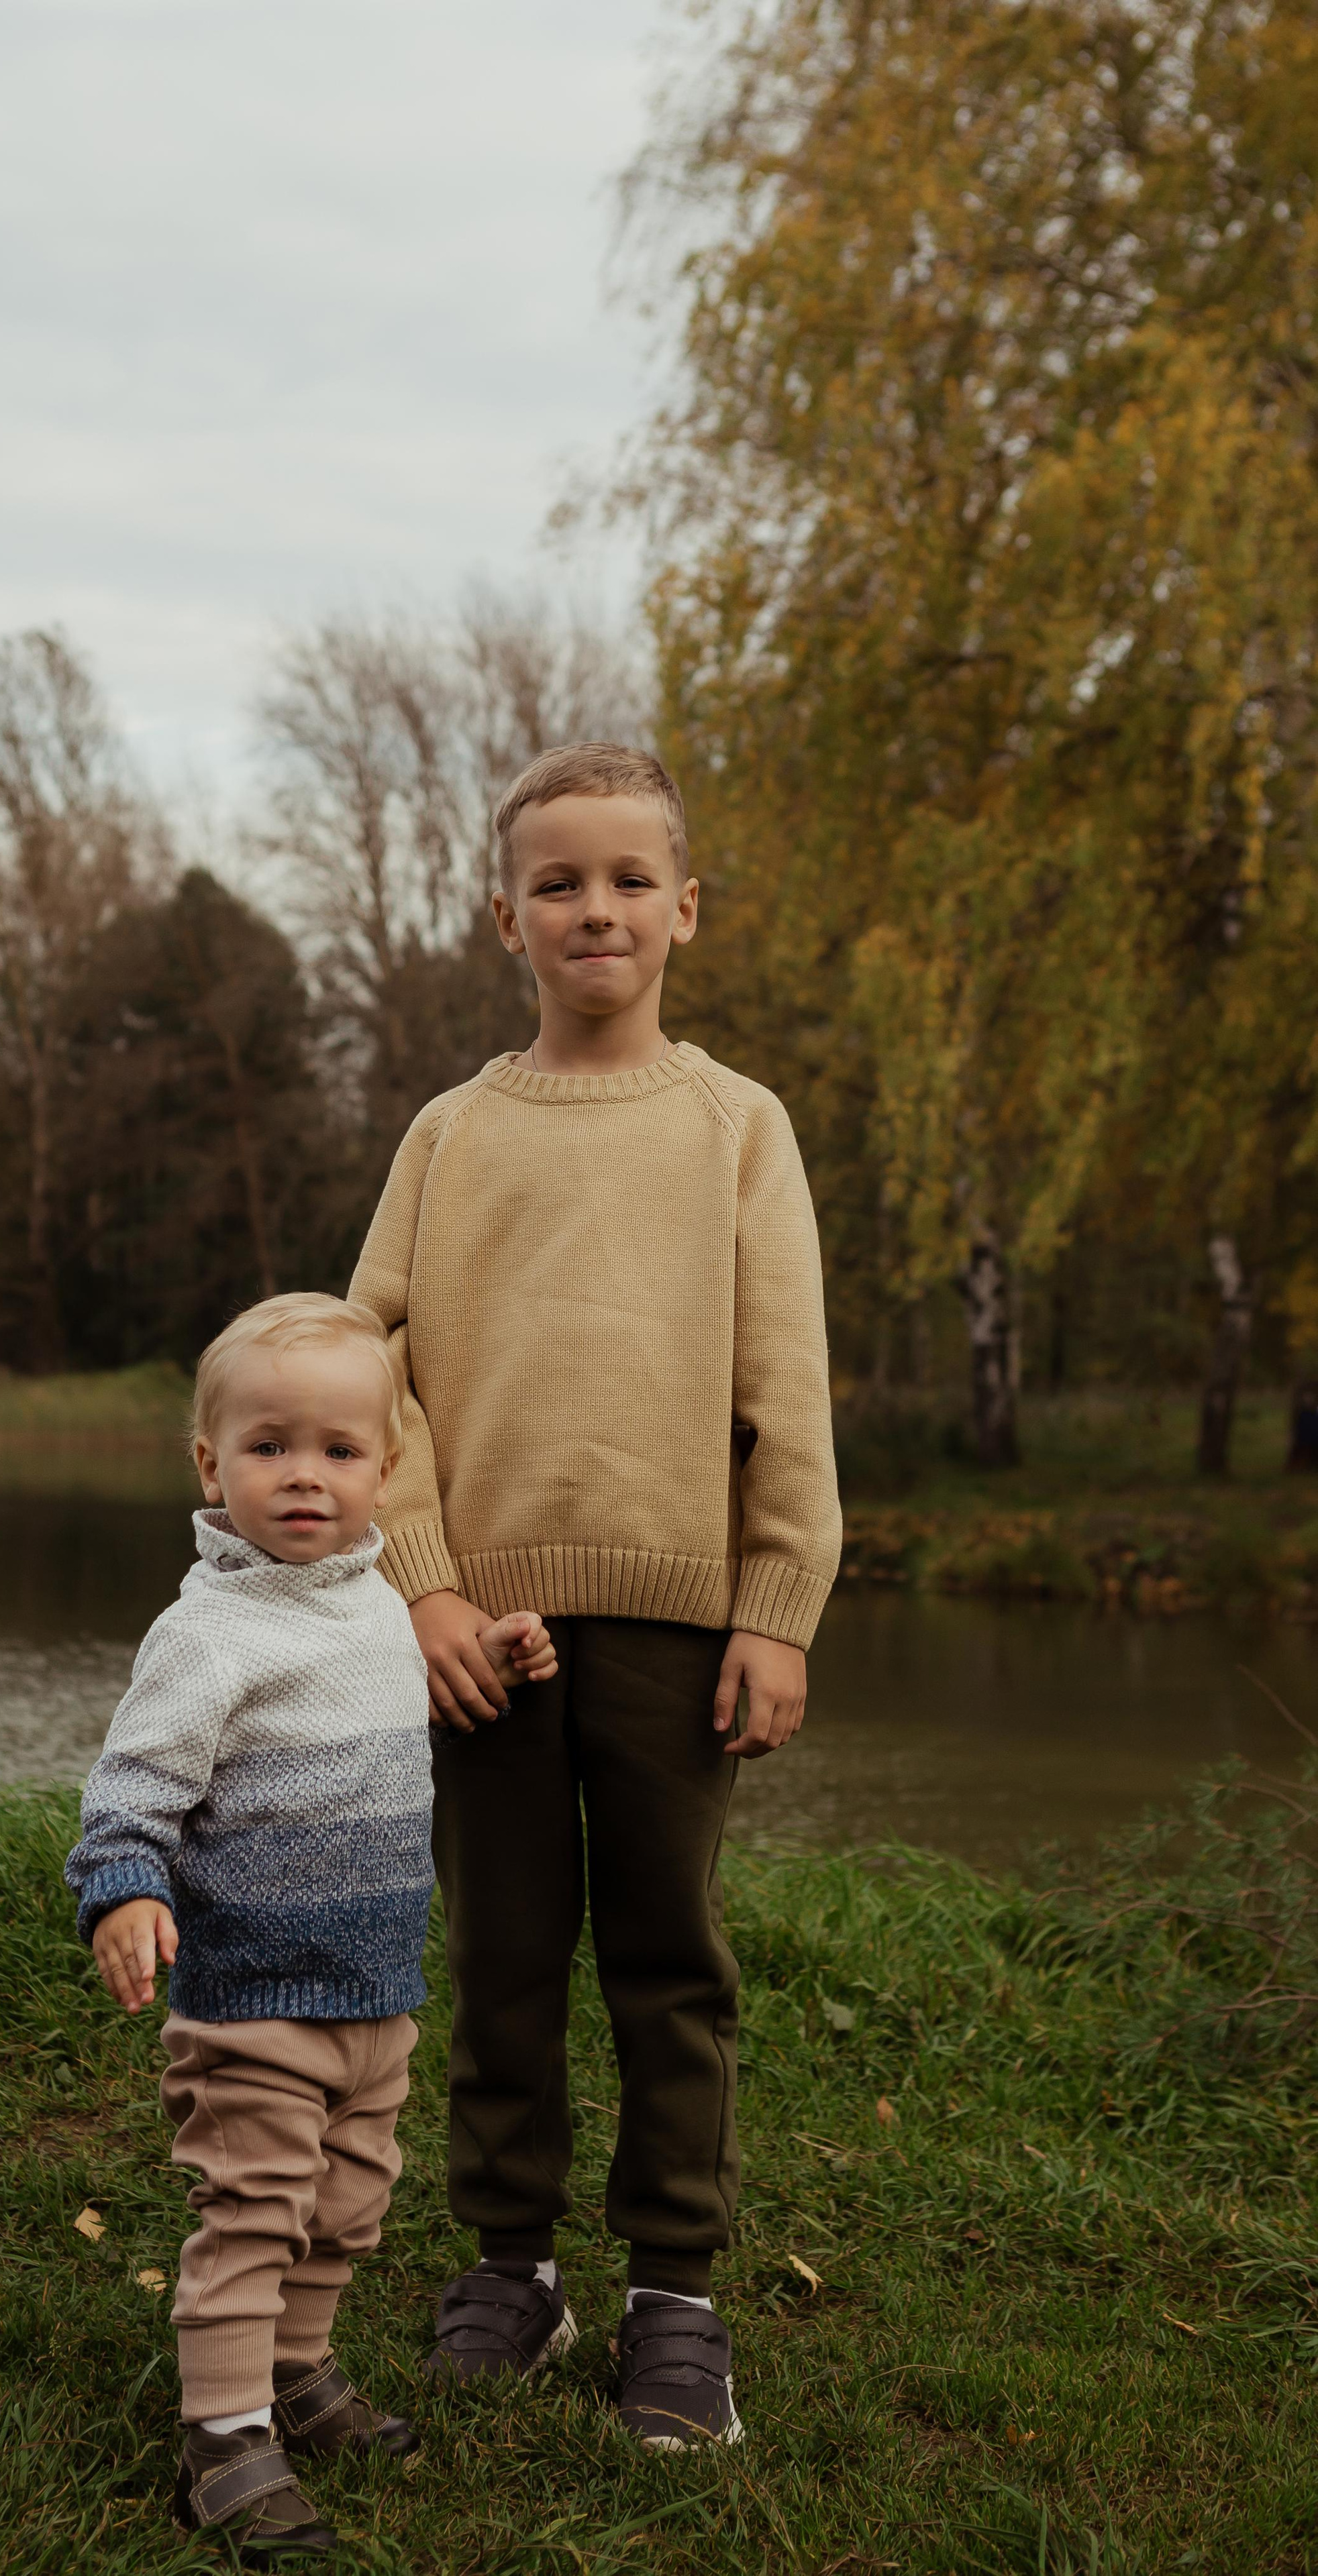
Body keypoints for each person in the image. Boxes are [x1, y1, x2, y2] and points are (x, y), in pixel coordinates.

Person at [349, 743, 842, 2450]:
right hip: (477, 1629)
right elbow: (367, 1378)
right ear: (505, 916)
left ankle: (675, 2298)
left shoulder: (733, 1130)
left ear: (684, 910)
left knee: (664, 1954)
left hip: (676, 1625)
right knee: (497, 1951)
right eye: (558, 882)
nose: (595, 908)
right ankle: (509, 2267)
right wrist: (417, 1589)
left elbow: (788, 1380)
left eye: (630, 879)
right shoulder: (448, 1133)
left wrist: (774, 1603)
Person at [64, 1292, 552, 2561]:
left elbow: (401, 1720)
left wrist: (494, 1652)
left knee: (345, 2210)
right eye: (269, 1447)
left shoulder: (379, 1610)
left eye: (339, 1452)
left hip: (375, 1995)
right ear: (209, 1465)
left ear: (386, 1471)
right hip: (255, 2000)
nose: (303, 1478)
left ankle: (297, 2372)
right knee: (258, 2210)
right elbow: (133, 1793)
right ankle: (223, 2440)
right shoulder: (210, 1634)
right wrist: (125, 1889)